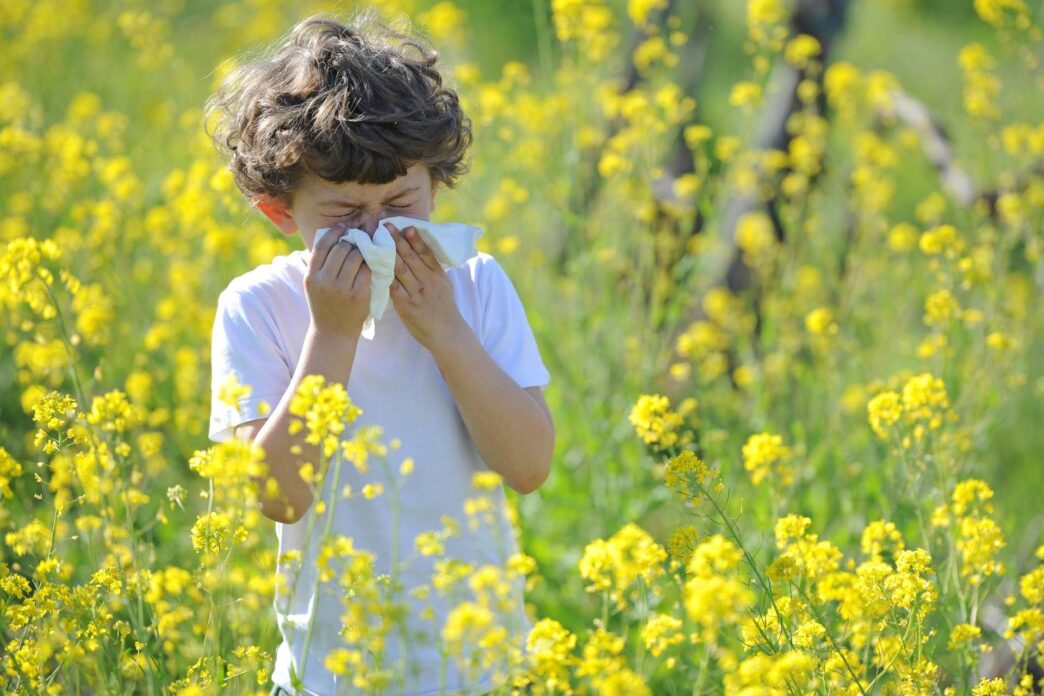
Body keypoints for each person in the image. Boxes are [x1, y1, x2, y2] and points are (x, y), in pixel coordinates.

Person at [203, 9, 555, 696]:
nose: (377, 234)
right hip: (334, 672)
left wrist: (444, 330)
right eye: (342, 216)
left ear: (437, 184)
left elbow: (529, 465)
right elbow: (278, 497)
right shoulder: (258, 308)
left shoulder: (476, 285)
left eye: (400, 202)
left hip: (476, 667)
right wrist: (331, 333)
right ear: (282, 213)